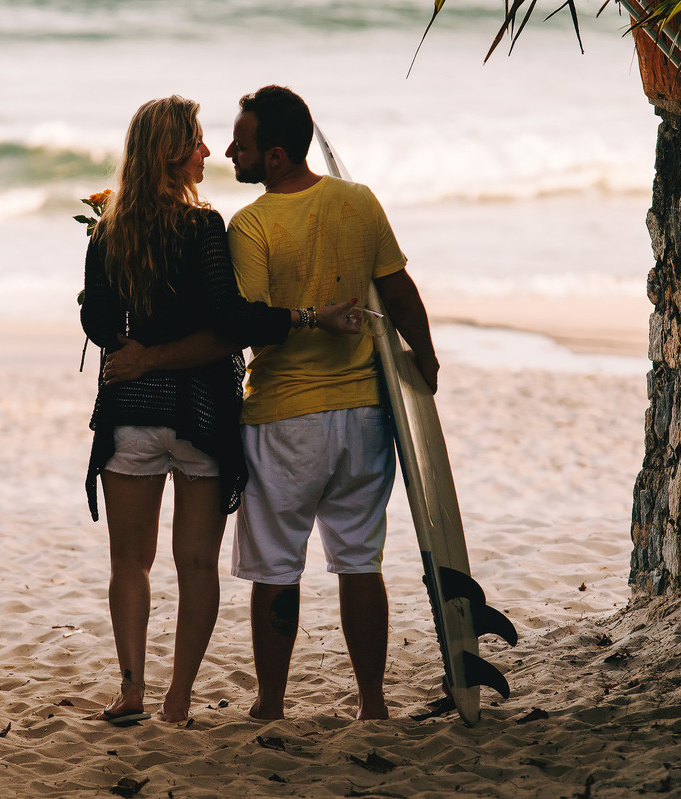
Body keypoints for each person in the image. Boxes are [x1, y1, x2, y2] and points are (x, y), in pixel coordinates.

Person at [108, 85, 440, 721]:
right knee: (360, 562)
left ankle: (270, 703)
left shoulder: (251, 224)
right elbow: (399, 289)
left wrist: (149, 354)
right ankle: (372, 704)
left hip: (284, 418)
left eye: (242, 144)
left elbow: (244, 325)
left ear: (277, 156)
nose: (229, 152)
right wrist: (425, 358)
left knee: (277, 570)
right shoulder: (360, 201)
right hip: (364, 415)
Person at [80, 95, 359, 725]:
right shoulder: (203, 227)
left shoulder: (109, 230)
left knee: (129, 562)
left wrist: (134, 353)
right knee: (196, 564)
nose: (208, 152)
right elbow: (232, 321)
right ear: (173, 153)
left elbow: (95, 317)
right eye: (198, 142)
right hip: (202, 413)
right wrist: (310, 317)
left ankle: (131, 689)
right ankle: (178, 699)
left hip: (133, 412)